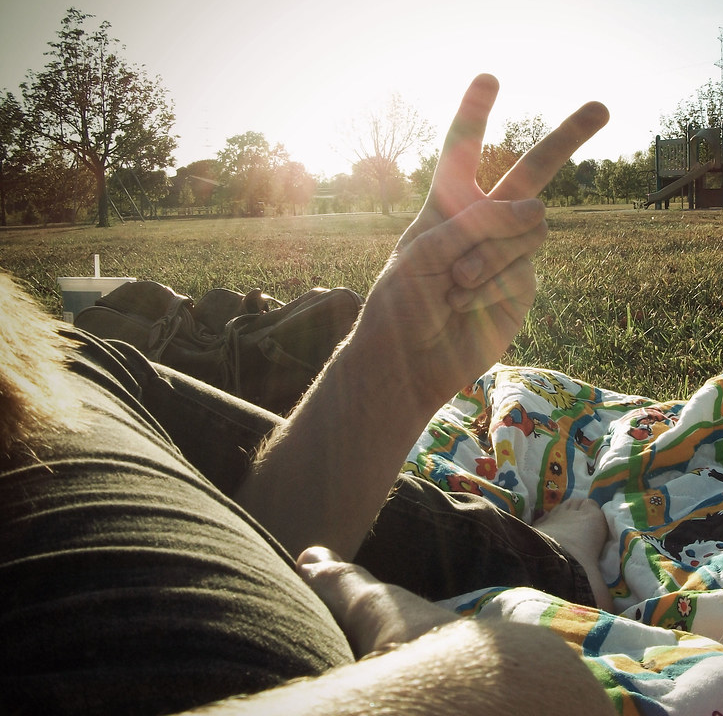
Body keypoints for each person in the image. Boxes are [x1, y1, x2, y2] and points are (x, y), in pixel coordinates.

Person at [0, 74, 616, 715]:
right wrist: (457, 697)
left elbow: (261, 557)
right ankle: (558, 568)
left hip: (53, 367)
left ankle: (552, 562)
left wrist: (390, 364)